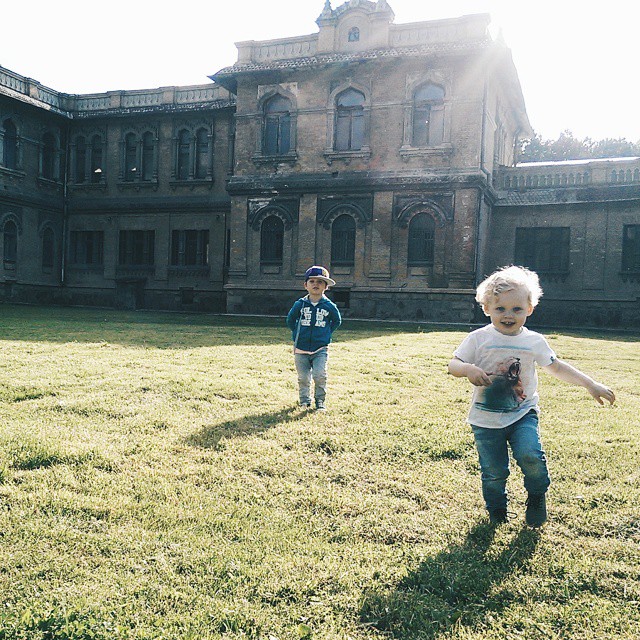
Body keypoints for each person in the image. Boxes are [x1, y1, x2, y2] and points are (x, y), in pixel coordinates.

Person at [448, 265, 615, 526]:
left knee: (531, 456)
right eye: (500, 308)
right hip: (485, 420)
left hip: (522, 413)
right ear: (487, 308)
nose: (508, 315)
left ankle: (537, 495)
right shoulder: (478, 339)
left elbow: (557, 367)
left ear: (529, 308)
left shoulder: (533, 341)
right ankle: (497, 512)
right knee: (494, 472)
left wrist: (590, 384)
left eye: (516, 309)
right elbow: (453, 365)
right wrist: (467, 369)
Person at [286, 266, 342, 411]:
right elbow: (290, 320)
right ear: (306, 285)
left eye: (320, 281)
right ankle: (304, 401)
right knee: (303, 378)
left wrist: (325, 333)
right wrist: (297, 333)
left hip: (320, 348)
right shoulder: (300, 304)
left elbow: (337, 321)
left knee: (319, 375)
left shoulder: (329, 306)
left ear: (326, 286)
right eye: (312, 281)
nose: (315, 284)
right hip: (301, 348)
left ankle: (320, 401)